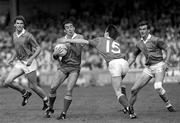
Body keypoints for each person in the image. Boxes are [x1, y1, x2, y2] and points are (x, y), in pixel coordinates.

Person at [59, 24, 132, 118]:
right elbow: (123, 55)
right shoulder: (116, 43)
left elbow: (83, 41)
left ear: (107, 33)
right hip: (124, 63)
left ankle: (129, 108)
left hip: (115, 64)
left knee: (118, 92)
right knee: (121, 84)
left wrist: (68, 40)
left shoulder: (100, 39)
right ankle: (126, 107)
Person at [127, 20, 176, 118]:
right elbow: (133, 56)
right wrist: (126, 66)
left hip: (159, 65)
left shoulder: (156, 40)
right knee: (133, 90)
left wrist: (166, 62)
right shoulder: (139, 44)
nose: (142, 31)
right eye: (140, 29)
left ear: (148, 30)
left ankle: (168, 104)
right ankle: (130, 109)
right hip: (148, 68)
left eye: (144, 29)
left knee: (157, 86)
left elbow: (168, 49)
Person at [3, 15, 48, 110]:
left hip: (29, 62)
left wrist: (31, 59)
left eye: (21, 23)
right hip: (20, 62)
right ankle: (25, 93)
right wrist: (12, 58)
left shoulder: (28, 36)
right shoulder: (14, 34)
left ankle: (46, 101)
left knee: (33, 86)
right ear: (15, 25)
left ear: (24, 25)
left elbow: (39, 48)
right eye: (18, 23)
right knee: (7, 81)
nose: (19, 25)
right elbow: (17, 49)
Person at [45, 20, 84, 120]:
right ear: (64, 30)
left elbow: (78, 53)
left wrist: (69, 43)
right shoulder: (60, 40)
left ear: (74, 28)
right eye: (67, 27)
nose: (69, 29)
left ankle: (63, 113)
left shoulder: (79, 37)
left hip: (74, 68)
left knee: (69, 90)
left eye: (71, 26)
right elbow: (55, 57)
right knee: (52, 88)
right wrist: (55, 54)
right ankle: (50, 108)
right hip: (63, 67)